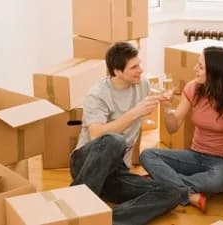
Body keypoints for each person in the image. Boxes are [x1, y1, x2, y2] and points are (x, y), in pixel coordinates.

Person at [140, 46, 223, 212]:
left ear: (214, 72)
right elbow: (172, 127)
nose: (194, 69)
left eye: (200, 66)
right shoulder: (192, 89)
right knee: (148, 155)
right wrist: (168, 108)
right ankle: (188, 194)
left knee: (218, 180)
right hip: (194, 156)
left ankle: (163, 183)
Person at [69, 42, 182, 225]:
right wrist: (135, 112)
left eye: (140, 64)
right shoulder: (97, 94)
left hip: (116, 171)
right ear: (117, 71)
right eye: (134, 67)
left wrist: (165, 103)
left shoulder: (142, 84)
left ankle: (107, 221)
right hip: (86, 163)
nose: (141, 70)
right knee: (115, 140)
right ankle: (75, 206)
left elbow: (166, 119)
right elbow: (96, 135)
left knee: (172, 192)